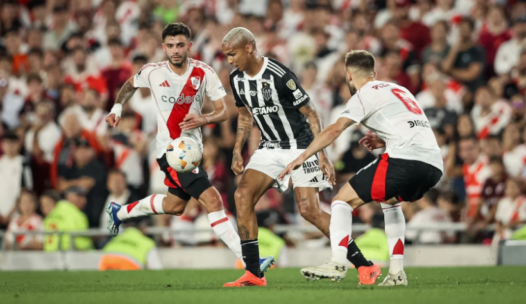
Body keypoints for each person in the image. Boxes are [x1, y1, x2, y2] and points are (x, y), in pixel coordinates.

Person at [104, 23, 273, 272]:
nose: (175, 50)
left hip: (192, 152)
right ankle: (251, 261)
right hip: (170, 153)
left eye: (180, 45)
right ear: (163, 47)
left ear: (189, 46)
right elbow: (130, 85)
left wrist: (203, 119)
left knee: (175, 206)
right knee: (214, 200)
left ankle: (120, 212)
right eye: (170, 46)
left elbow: (223, 111)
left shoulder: (204, 73)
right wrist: (117, 108)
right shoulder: (153, 72)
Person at [221, 28, 379, 287]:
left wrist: (322, 155)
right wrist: (238, 149)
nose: (229, 60)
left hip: (301, 145)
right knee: (242, 196)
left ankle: (365, 265)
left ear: (249, 47)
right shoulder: (236, 78)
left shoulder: (280, 75)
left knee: (309, 211)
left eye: (232, 53)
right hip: (269, 147)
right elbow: (245, 115)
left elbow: (311, 113)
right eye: (226, 55)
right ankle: (254, 272)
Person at [280, 50, 443, 286]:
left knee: (340, 202)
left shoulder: (362, 95)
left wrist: (304, 156)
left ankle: (337, 262)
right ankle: (397, 273)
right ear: (374, 73)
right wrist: (385, 140)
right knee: (390, 201)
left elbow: (336, 129)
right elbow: (414, 128)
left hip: (404, 160)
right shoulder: (399, 90)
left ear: (348, 76)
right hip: (433, 164)